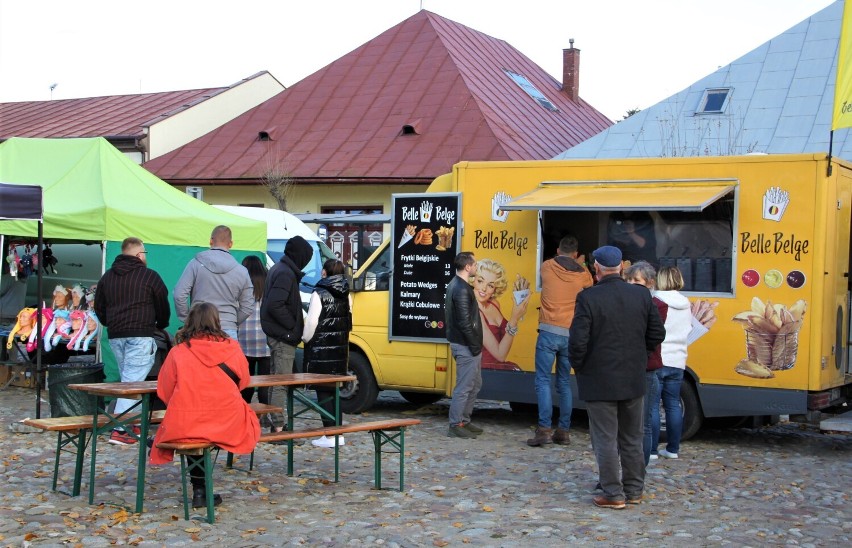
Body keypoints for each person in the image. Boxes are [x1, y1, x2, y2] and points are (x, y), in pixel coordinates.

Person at [569, 245, 665, 509]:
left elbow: (578, 341)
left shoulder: (588, 298)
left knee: (605, 438)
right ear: (622, 267)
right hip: (633, 377)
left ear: (595, 268)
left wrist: (581, 367)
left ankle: (613, 493)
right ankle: (634, 490)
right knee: (632, 437)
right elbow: (657, 334)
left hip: (599, 380)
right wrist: (639, 357)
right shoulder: (641, 296)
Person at [150, 302, 260, 509]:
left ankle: (199, 489)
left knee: (190, 428)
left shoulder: (178, 352)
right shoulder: (232, 348)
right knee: (198, 428)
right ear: (216, 321)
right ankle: (201, 491)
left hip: (188, 422)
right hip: (228, 421)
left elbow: (164, 391)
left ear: (189, 322)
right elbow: (244, 382)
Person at [94, 237, 170, 446]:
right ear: (138, 255)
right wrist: (161, 324)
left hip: (117, 335)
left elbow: (98, 306)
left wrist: (110, 323)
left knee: (129, 380)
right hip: (141, 334)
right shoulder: (149, 276)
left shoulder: (107, 277)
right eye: (144, 253)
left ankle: (132, 424)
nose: (145, 256)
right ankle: (121, 429)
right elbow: (162, 304)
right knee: (132, 382)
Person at [527, 235, 592, 447]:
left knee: (543, 381)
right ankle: (563, 431)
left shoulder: (546, 266)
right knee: (564, 383)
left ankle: (544, 430)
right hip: (569, 333)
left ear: (557, 250)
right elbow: (590, 286)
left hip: (547, 331)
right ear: (575, 253)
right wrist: (580, 263)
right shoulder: (583, 274)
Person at [261, 235, 314, 434]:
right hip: (283, 336)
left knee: (277, 381)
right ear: (300, 256)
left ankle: (275, 422)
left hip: (278, 334)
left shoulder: (279, 269)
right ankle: (278, 426)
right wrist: (292, 327)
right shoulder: (285, 273)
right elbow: (275, 304)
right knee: (281, 382)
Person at [302, 258, 351, 448]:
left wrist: (305, 338)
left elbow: (312, 322)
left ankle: (330, 435)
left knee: (323, 392)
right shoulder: (346, 293)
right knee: (334, 391)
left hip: (321, 349)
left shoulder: (319, 293)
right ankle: (337, 434)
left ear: (324, 272)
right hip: (340, 348)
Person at [173, 225, 254, 340]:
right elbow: (247, 307)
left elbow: (179, 295)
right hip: (228, 330)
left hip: (198, 328)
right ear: (231, 244)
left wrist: (189, 320)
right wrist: (232, 321)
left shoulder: (195, 263)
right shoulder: (242, 271)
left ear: (211, 241)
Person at [624, 260, 668, 465]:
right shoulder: (625, 301)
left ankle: (641, 465)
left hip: (647, 367)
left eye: (637, 280)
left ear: (650, 283)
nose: (632, 283)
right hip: (629, 366)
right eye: (629, 280)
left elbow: (654, 334)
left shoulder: (657, 305)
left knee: (644, 422)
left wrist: (642, 352)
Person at [653, 266, 691, 459]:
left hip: (659, 358)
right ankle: (673, 449)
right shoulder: (686, 303)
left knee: (652, 405)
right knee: (673, 405)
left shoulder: (657, 302)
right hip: (678, 360)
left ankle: (651, 450)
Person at [444, 251, 484, 439]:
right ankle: (456, 424)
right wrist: (475, 345)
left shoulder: (458, 285)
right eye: (474, 264)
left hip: (465, 343)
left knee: (474, 384)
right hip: (466, 345)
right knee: (464, 386)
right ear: (467, 267)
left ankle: (464, 421)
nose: (476, 267)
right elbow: (464, 322)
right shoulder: (460, 288)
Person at [472, 258, 529, 372]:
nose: (484, 288)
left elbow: (505, 338)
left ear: (495, 289)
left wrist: (520, 298)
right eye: (480, 281)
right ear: (472, 280)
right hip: (482, 372)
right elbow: (500, 355)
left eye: (490, 285)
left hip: (498, 370)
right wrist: (514, 318)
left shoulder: (494, 304)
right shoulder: (473, 312)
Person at [237, 255, 272, 408]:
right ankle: (266, 414)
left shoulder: (241, 284)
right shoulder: (268, 285)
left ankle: (245, 414)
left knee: (246, 381)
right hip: (265, 339)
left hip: (244, 339)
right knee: (265, 382)